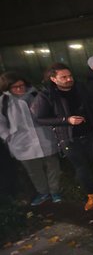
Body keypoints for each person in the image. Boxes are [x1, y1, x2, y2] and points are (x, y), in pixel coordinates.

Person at [32, 63, 93, 211]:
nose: (69, 79)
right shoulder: (46, 94)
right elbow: (39, 118)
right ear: (53, 79)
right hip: (68, 138)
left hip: (89, 133)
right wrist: (65, 120)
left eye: (70, 76)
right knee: (81, 168)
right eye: (63, 77)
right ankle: (91, 194)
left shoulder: (80, 88)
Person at [0, 72, 61, 206]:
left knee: (52, 166)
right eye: (15, 87)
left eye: (21, 85)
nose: (19, 89)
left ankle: (55, 191)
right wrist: (8, 137)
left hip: (44, 137)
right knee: (34, 171)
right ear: (7, 88)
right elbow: (1, 123)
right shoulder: (4, 102)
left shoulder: (36, 95)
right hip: (21, 143)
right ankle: (43, 192)